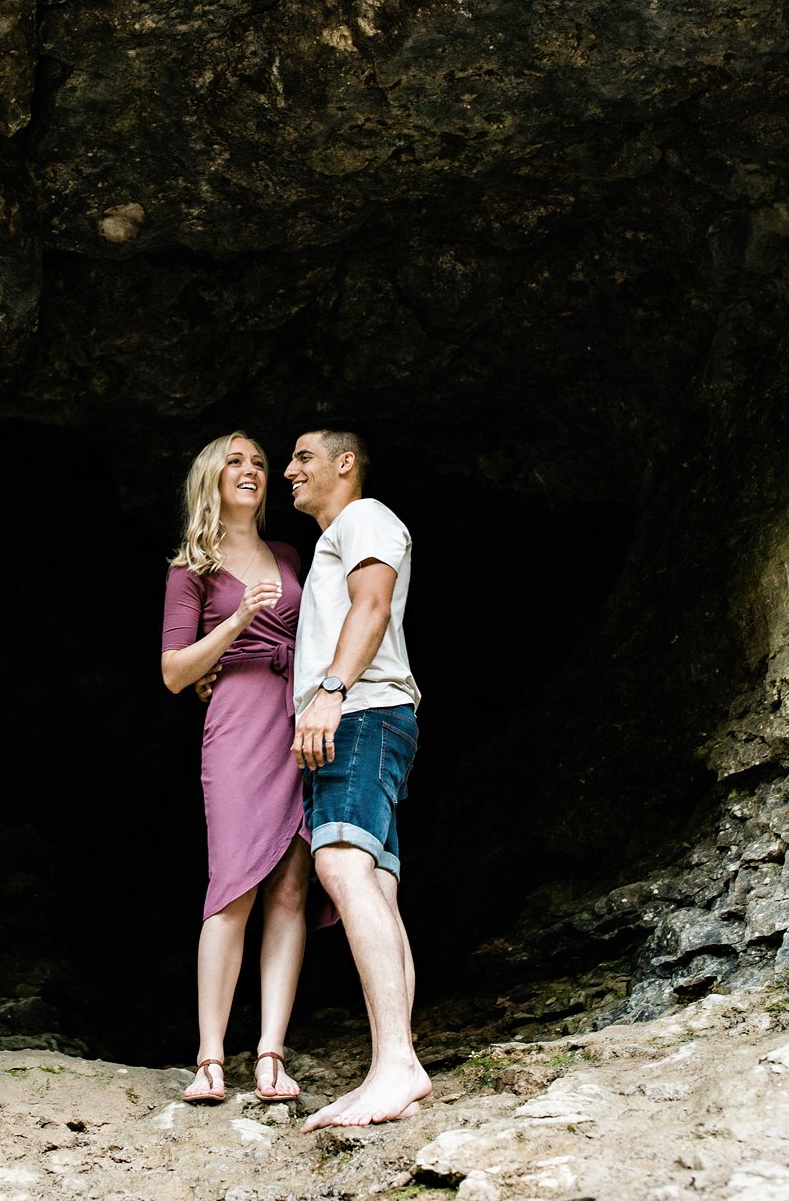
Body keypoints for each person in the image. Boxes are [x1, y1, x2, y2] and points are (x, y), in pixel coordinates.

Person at [160, 432, 316, 1105]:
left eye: (258, 462)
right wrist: (235, 625)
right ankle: (210, 1058)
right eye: (236, 460)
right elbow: (173, 673)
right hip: (236, 718)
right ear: (211, 478)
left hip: (299, 717)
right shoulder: (190, 565)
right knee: (232, 886)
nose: (251, 470)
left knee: (290, 889)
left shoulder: (288, 554)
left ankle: (271, 1054)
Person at [283, 427, 429, 1131]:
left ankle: (396, 1063)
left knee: (340, 864)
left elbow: (372, 605)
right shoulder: (338, 533)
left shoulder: (363, 518)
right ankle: (393, 1064)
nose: (289, 471)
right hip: (375, 717)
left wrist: (333, 690)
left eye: (303, 457)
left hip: (363, 714)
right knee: (377, 886)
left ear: (346, 464)